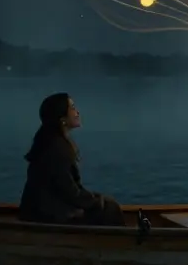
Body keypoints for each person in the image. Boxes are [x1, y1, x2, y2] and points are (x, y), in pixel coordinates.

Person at [18, 92, 126, 226]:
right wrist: (98, 202)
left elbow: (68, 189)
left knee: (107, 204)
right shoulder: (57, 148)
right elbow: (69, 191)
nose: (77, 112)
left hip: (41, 210)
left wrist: (96, 199)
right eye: (73, 108)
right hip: (45, 215)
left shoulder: (50, 141)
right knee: (110, 209)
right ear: (62, 118)